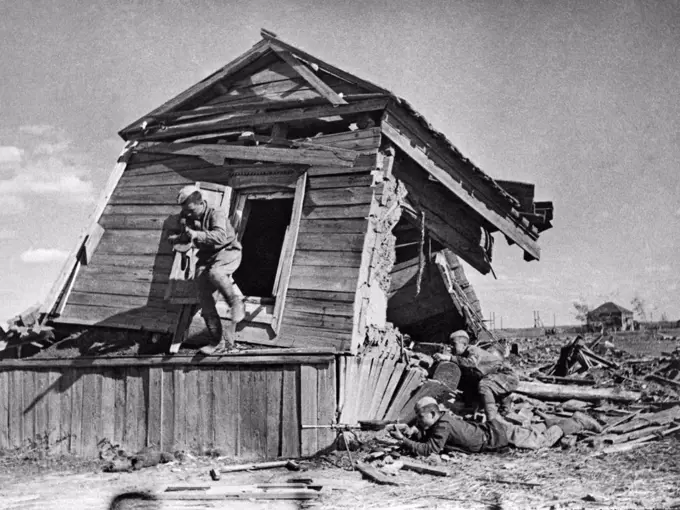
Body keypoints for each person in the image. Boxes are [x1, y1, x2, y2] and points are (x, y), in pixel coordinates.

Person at [168, 185, 245, 354]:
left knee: (216, 273)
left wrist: (196, 235)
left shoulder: (216, 214)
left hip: (228, 251)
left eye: (190, 210)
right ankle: (217, 341)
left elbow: (219, 237)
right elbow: (183, 237)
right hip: (206, 257)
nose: (187, 214)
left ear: (201, 203)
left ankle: (235, 304)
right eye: (185, 211)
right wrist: (177, 239)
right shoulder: (186, 216)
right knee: (204, 299)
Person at [387, 397, 602, 456]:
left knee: (539, 442)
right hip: (492, 432)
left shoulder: (442, 425)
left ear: (433, 414)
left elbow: (429, 449)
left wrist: (404, 440)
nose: (419, 422)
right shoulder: (440, 420)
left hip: (497, 436)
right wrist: (413, 432)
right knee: (531, 433)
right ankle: (555, 422)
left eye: (420, 418)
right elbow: (427, 434)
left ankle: (576, 422)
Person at [433, 330, 518, 420]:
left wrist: (449, 357)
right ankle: (502, 400)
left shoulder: (472, 350)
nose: (451, 347)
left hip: (506, 376)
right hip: (495, 378)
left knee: (484, 385)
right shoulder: (464, 355)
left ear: (464, 344)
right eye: (450, 344)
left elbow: (471, 363)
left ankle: (492, 420)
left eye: (454, 344)